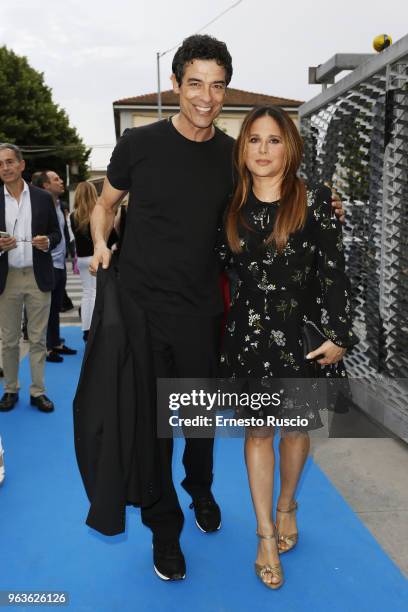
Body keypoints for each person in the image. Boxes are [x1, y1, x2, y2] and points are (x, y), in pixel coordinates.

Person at [88, 35, 345, 582]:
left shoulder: (233, 160)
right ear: (176, 84)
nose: (206, 96)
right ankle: (164, 528)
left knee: (198, 423)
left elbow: (275, 197)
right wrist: (102, 242)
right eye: (196, 83)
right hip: (141, 310)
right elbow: (105, 205)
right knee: (153, 426)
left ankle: (199, 487)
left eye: (217, 85)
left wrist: (322, 199)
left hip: (206, 314)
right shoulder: (139, 145)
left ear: (225, 90)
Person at [219, 106, 358, 589]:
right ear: (242, 149)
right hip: (249, 338)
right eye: (253, 139)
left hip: (301, 336)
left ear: (290, 147)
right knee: (259, 434)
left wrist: (339, 334)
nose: (262, 149)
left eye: (273, 140)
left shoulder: (315, 199)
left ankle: (287, 505)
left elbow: (335, 270)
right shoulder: (229, 204)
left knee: (296, 431)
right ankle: (264, 534)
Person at [0, 144, 61, 413]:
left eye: (10, 162)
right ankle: (10, 390)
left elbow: (57, 235)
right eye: (1, 164)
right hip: (7, 277)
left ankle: (38, 392)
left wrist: (47, 241)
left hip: (38, 276)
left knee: (38, 339)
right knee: (9, 340)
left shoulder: (42, 198)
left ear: (22, 165)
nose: (5, 168)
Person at [33, 171, 76, 362]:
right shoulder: (39, 206)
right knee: (45, 308)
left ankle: (55, 342)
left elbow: (61, 233)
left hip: (59, 263)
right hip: (47, 262)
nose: (61, 182)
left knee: (56, 306)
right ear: (45, 186)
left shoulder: (59, 205)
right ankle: (47, 348)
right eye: (56, 179)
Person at [70, 181, 117, 341]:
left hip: (81, 259)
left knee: (87, 292)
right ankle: (95, 329)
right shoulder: (97, 214)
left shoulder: (73, 215)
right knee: (96, 293)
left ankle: (86, 328)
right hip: (96, 256)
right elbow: (111, 238)